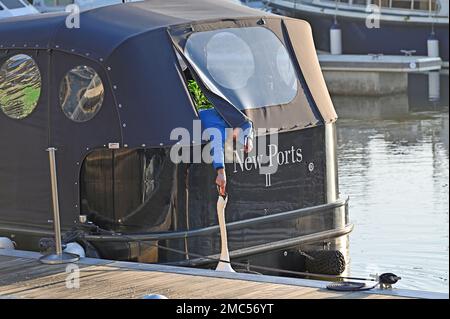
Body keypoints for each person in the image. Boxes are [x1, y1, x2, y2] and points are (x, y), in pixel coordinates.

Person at [188, 80, 253, 196]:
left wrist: (249, 138)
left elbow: (247, 123)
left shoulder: (232, 116)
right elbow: (217, 146)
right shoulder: (219, 129)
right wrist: (221, 172)